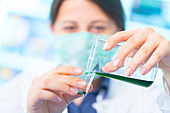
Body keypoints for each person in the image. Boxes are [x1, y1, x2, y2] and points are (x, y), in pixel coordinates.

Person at [0, 0, 170, 113]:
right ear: (53, 30)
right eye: (70, 28)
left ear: (120, 32)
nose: (83, 40)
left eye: (97, 27)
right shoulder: (20, 89)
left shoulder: (144, 95)